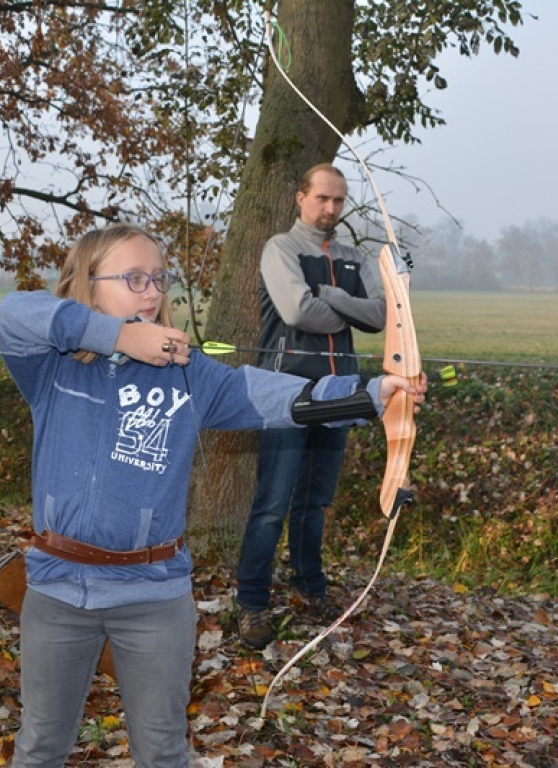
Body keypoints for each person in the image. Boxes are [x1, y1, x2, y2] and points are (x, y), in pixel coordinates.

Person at [0, 222, 423, 767]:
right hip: (56, 591)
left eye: (159, 280)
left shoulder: (191, 375)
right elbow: (11, 314)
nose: (152, 291)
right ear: (87, 283)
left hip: (153, 597)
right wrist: (119, 337)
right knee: (39, 747)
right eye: (134, 278)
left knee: (165, 751)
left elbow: (281, 397)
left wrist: (373, 393)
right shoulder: (50, 366)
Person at [234, 163, 387, 649]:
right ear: (301, 197)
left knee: (315, 501)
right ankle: (252, 600)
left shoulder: (352, 257)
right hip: (287, 392)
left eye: (339, 201)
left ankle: (310, 584)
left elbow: (382, 315)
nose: (331, 209)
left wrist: (334, 295)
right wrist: (348, 310)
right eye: (322, 198)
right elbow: (297, 310)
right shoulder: (281, 248)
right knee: (271, 504)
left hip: (340, 391)